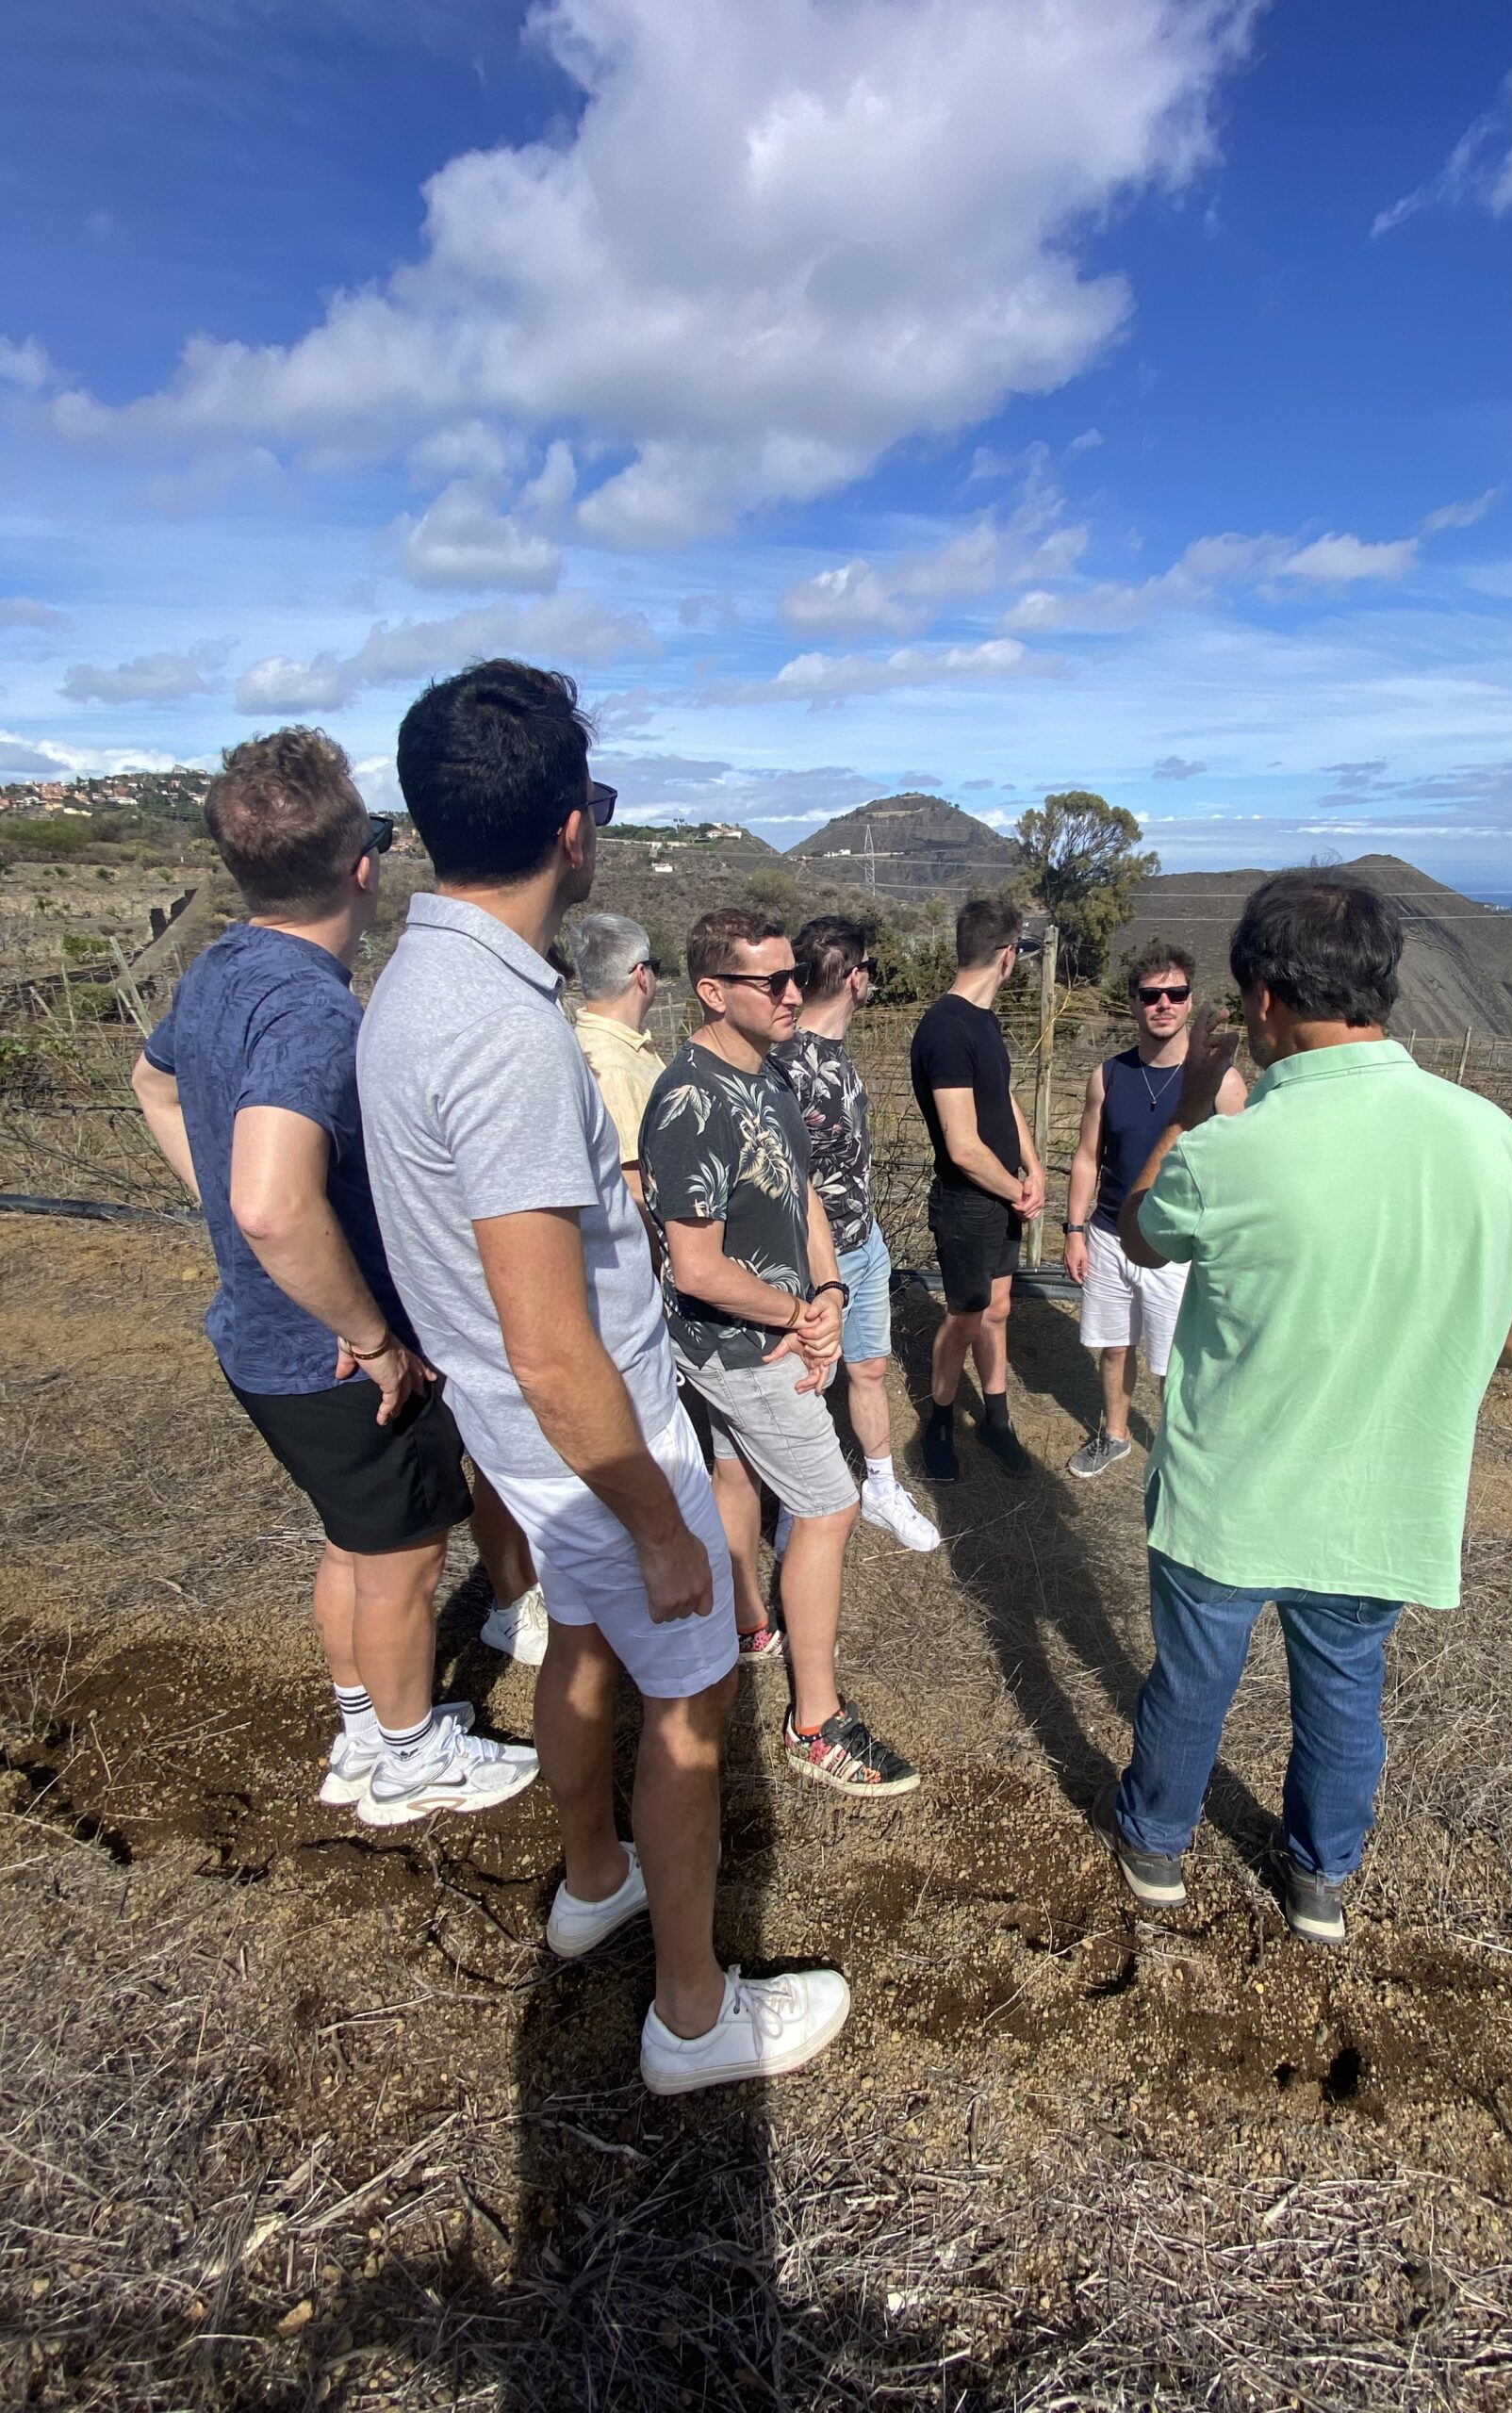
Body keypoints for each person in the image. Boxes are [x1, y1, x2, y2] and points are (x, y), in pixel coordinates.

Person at [360, 663, 849, 2093]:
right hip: (597, 1432)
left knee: (580, 1645)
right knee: (690, 1711)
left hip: (520, 1441)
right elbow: (550, 1331)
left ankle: (593, 1880)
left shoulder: (415, 981)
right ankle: (694, 2016)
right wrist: (655, 1519)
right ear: (576, 829)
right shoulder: (508, 1035)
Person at [1092, 871, 1512, 1945]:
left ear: (1259, 998)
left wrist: (1196, 1106)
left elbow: (1140, 1236)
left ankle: (1157, 1848)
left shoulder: (1231, 1148)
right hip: (1384, 1496)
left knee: (1192, 1684)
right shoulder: (1490, 1137)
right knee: (1345, 1695)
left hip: (1230, 1494)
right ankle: (1318, 1883)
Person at [128, 727, 539, 1829]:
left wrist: (227, 1208)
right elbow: (271, 1201)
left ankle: (365, 1727)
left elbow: (154, 1082)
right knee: (405, 1562)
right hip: (333, 1358)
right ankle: (408, 1762)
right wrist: (370, 1334)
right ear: (365, 867)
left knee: (353, 1542)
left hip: (258, 1342)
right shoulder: (315, 1009)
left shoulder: (221, 968)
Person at [640, 909, 920, 1798]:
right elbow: (694, 1265)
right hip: (737, 1347)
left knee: (735, 1477)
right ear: (713, 992)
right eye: (772, 982)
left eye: (796, 977)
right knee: (831, 1507)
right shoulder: (689, 1099)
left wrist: (831, 1293)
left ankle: (748, 1626)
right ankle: (816, 1722)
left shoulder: (766, 1072)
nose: (793, 993)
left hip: (778, 1328)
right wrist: (801, 1314)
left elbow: (801, 1191)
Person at [770, 916, 940, 1554]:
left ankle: (880, 1486)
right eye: (869, 966)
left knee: (868, 1367)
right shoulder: (784, 1068)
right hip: (812, 1260)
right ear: (854, 977)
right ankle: (797, 1499)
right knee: (808, 1379)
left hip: (865, 1248)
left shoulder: (834, 1054)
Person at [1061, 944, 1245, 1478]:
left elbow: (1238, 1174)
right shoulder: (1108, 1077)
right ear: (1134, 1004)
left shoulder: (1223, 1082)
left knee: (1174, 1360)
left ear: (1190, 1002)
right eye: (1151, 995)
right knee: (1114, 1346)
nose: (1163, 1003)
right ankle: (1114, 1435)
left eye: (1176, 993)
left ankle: (1176, 1451)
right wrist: (1074, 1230)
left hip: (1179, 1243)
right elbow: (1087, 1158)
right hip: (1109, 1232)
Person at [908, 895, 1044, 1485]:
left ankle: (996, 1418)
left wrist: (1034, 1167)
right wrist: (1016, 1189)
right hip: (968, 1204)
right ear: (1008, 957)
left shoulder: (983, 1022)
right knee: (965, 1318)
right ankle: (938, 1422)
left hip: (1002, 1196)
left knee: (999, 1310)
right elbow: (962, 1147)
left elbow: (1001, 1098)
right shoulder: (946, 1028)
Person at [571, 911, 664, 1206]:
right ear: (641, 974)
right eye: (654, 967)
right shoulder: (612, 1066)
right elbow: (634, 1190)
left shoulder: (606, 1045)